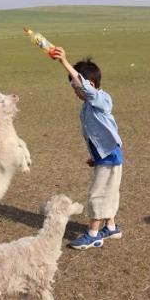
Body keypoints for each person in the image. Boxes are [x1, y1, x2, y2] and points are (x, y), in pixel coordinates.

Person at [51, 47, 124, 250]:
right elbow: (94, 136)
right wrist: (94, 156)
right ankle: (110, 227)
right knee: (108, 192)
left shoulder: (100, 100)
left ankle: (93, 234)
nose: (76, 93)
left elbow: (85, 87)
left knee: (97, 195)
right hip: (105, 156)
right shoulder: (87, 107)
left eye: (76, 89)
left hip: (110, 157)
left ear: (89, 85)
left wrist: (64, 61)